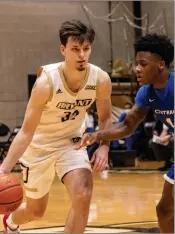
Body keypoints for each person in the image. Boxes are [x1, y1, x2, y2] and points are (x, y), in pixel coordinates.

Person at [0, 20, 112, 233]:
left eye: (86, 49)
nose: (82, 55)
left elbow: (106, 118)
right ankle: (11, 222)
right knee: (36, 211)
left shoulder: (100, 79)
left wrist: (104, 146)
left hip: (71, 142)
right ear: (63, 50)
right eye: (75, 49)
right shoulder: (46, 83)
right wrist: (4, 169)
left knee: (83, 195)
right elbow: (27, 131)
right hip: (39, 147)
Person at [75, 34, 174, 233]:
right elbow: (127, 126)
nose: (137, 69)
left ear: (161, 64)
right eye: (137, 63)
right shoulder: (147, 92)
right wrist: (97, 135)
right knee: (164, 210)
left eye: (143, 64)